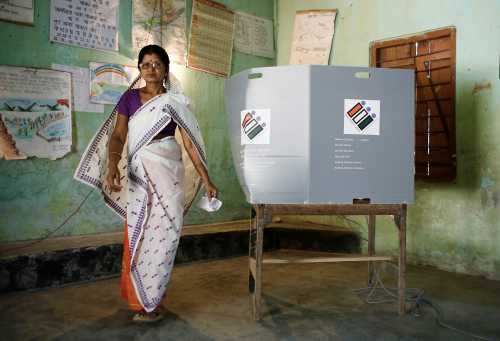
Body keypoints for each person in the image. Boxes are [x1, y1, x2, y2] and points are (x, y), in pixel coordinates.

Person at [74, 45, 217, 322]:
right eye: (145, 64)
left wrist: (207, 179)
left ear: (165, 69)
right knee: (138, 234)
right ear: (139, 69)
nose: (151, 69)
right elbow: (117, 136)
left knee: (165, 237)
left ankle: (155, 300)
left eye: (157, 64)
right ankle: (140, 302)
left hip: (168, 175)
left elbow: (188, 144)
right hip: (140, 175)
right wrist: (113, 163)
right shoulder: (129, 98)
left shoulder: (175, 102)